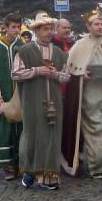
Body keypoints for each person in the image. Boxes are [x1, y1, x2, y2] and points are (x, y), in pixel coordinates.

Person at [62, 11, 102, 179]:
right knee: (94, 134)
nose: (99, 27)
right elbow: (72, 69)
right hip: (90, 97)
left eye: (101, 24)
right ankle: (98, 167)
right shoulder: (80, 46)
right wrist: (81, 74)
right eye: (95, 24)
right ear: (88, 27)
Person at [12, 13, 70, 190]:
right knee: (35, 135)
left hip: (54, 101)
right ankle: (31, 172)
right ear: (37, 31)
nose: (49, 32)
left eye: (51, 29)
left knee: (53, 136)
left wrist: (55, 74)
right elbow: (15, 74)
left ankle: (49, 176)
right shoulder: (25, 51)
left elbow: (67, 76)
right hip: (33, 100)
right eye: (45, 29)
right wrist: (37, 71)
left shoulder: (60, 53)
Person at [0, 13, 23, 179]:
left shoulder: (22, 45)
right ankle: (8, 166)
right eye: (13, 27)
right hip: (4, 94)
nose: (16, 30)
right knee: (5, 130)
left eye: (18, 27)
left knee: (21, 129)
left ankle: (21, 163)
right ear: (6, 27)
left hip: (19, 95)